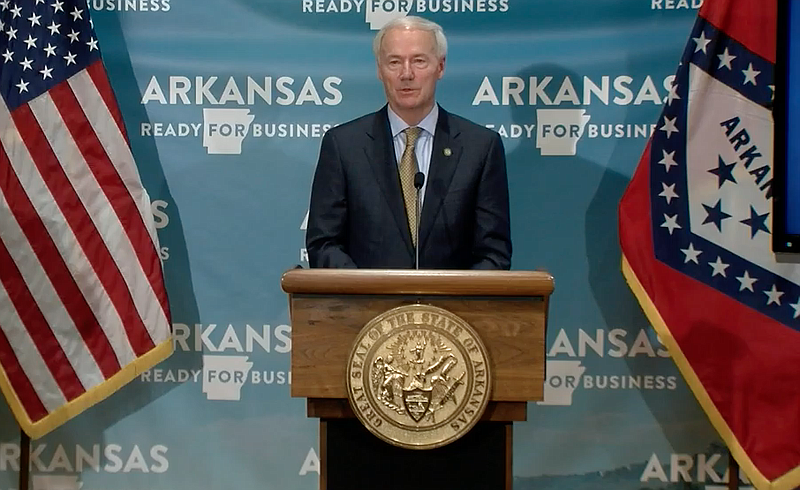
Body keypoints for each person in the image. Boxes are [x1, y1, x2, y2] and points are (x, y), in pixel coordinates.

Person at [305, 16, 511, 269]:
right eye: (394, 62)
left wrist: (449, 301)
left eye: (419, 61)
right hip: (366, 305)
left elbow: (494, 254)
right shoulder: (343, 146)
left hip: (452, 307)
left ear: (441, 66)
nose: (406, 74)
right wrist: (367, 294)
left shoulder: (480, 147)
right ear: (380, 70)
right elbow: (324, 245)